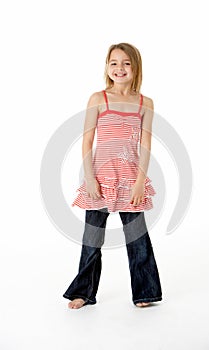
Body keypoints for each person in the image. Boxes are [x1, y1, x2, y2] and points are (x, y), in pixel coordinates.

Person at [63, 42, 162, 309]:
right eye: (114, 62)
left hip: (131, 181)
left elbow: (145, 144)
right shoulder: (98, 98)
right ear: (107, 67)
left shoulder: (145, 103)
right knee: (92, 242)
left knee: (138, 239)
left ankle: (145, 292)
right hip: (101, 180)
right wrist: (90, 178)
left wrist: (140, 181)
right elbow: (86, 142)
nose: (120, 68)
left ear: (135, 67)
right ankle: (83, 292)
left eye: (126, 63)